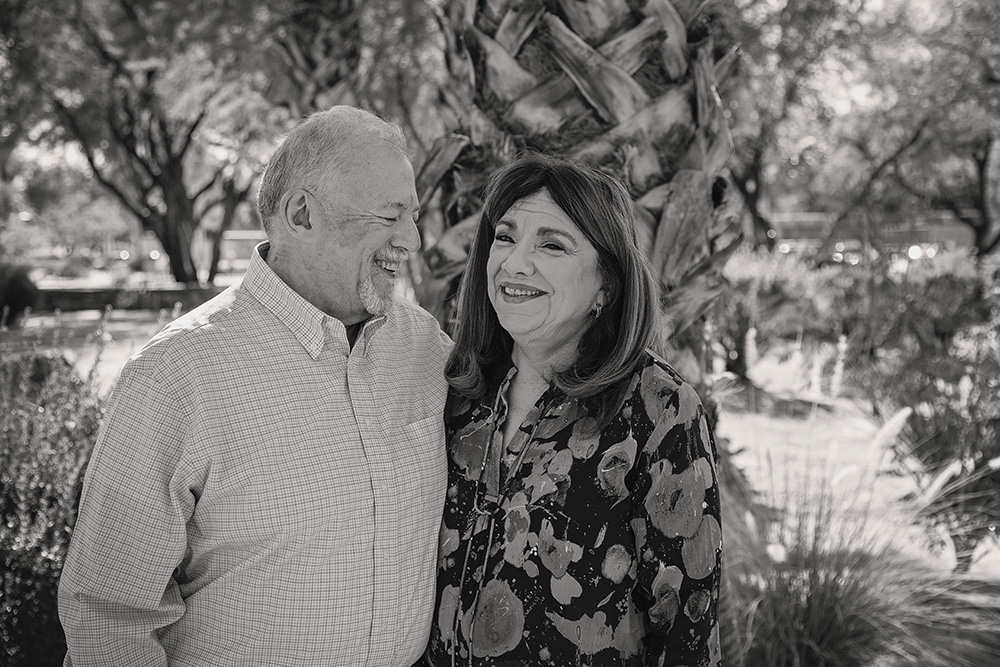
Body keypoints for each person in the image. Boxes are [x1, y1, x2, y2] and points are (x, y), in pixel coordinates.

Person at [58, 106, 451, 666]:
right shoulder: (177, 373)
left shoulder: (425, 348)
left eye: (413, 216)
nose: (411, 240)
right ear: (301, 213)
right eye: (390, 217)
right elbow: (109, 617)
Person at [424, 155, 722, 666]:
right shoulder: (453, 391)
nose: (514, 262)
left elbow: (685, 628)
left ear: (605, 285)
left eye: (552, 244)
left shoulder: (658, 408)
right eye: (504, 237)